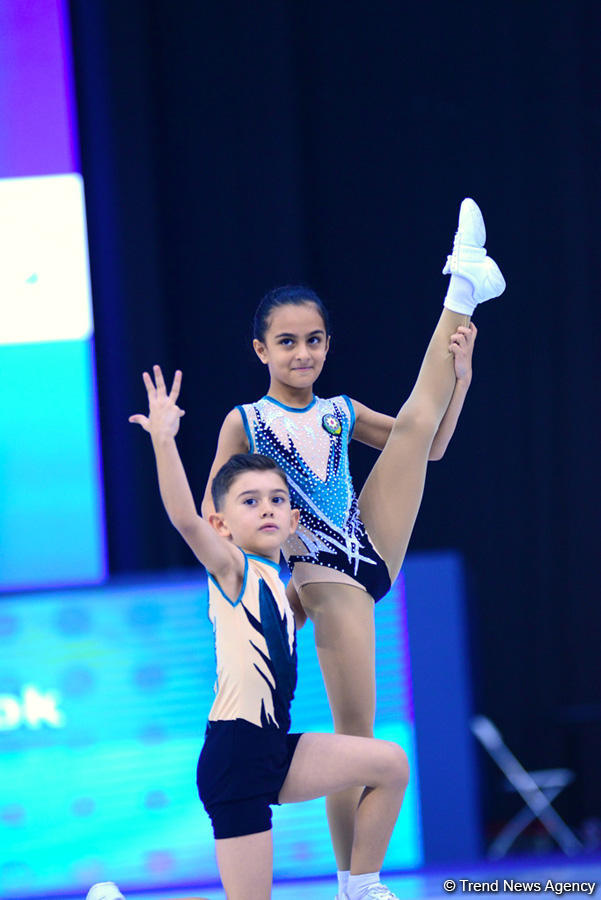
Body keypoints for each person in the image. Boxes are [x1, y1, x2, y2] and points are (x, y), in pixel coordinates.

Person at [201, 198, 505, 898]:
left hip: (369, 546)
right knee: (355, 735)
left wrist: (459, 381)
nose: (301, 353)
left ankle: (463, 290)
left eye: (312, 340)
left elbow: (428, 446)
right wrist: (259, 582)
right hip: (318, 573)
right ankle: (353, 881)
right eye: (286, 342)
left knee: (409, 426)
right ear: (260, 351)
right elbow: (212, 515)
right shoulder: (246, 421)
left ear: (325, 345)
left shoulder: (337, 412)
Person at [90, 374, 410, 900]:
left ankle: (361, 885)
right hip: (235, 758)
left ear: (293, 520)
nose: (266, 508)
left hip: (274, 752)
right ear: (222, 523)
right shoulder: (232, 569)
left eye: (277, 500)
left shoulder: (287, 590)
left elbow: (329, 599)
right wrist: (165, 441)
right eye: (249, 501)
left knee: (389, 764)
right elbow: (184, 520)